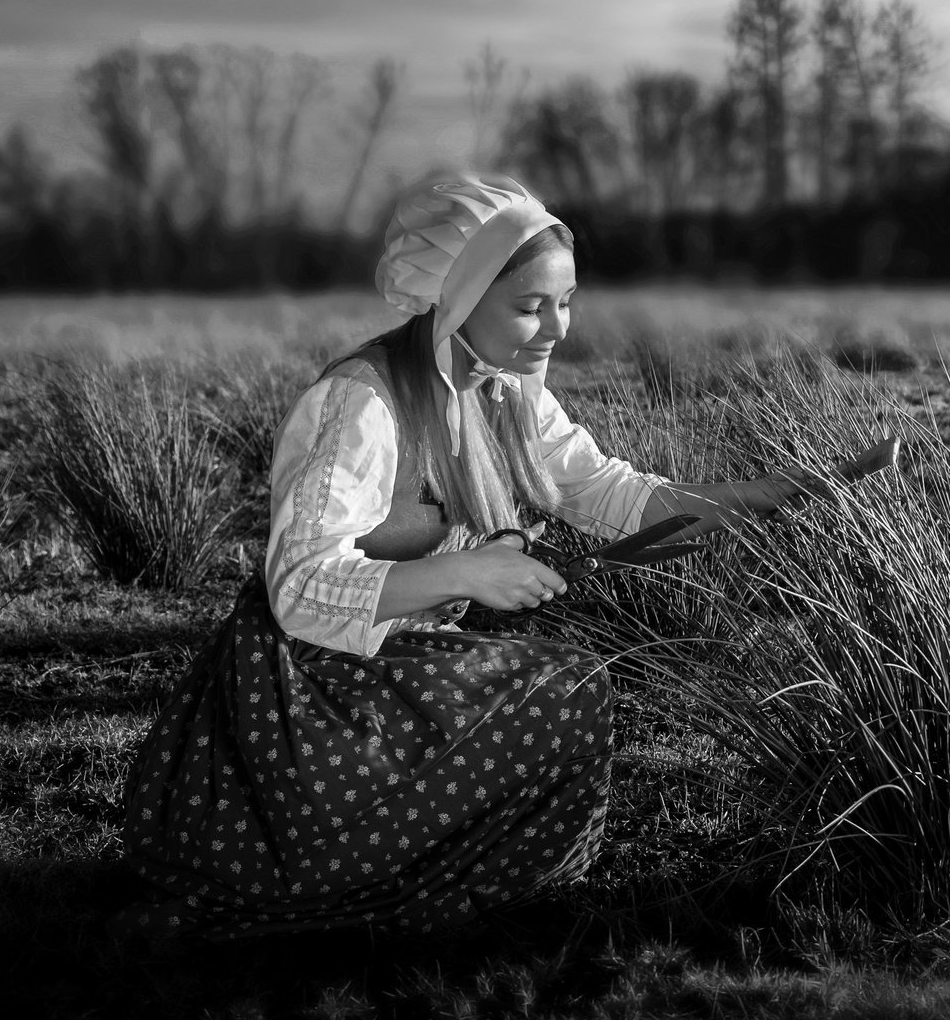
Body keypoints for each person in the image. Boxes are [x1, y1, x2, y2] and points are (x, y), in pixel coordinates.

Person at [118, 175, 806, 938]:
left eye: (566, 301)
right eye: (529, 306)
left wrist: (757, 496)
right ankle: (401, 883)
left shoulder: (506, 390)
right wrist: (468, 572)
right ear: (456, 298)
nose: (557, 328)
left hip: (399, 658)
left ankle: (495, 889)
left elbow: (606, 492)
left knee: (570, 683)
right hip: (302, 686)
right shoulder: (360, 404)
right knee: (565, 689)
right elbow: (299, 587)